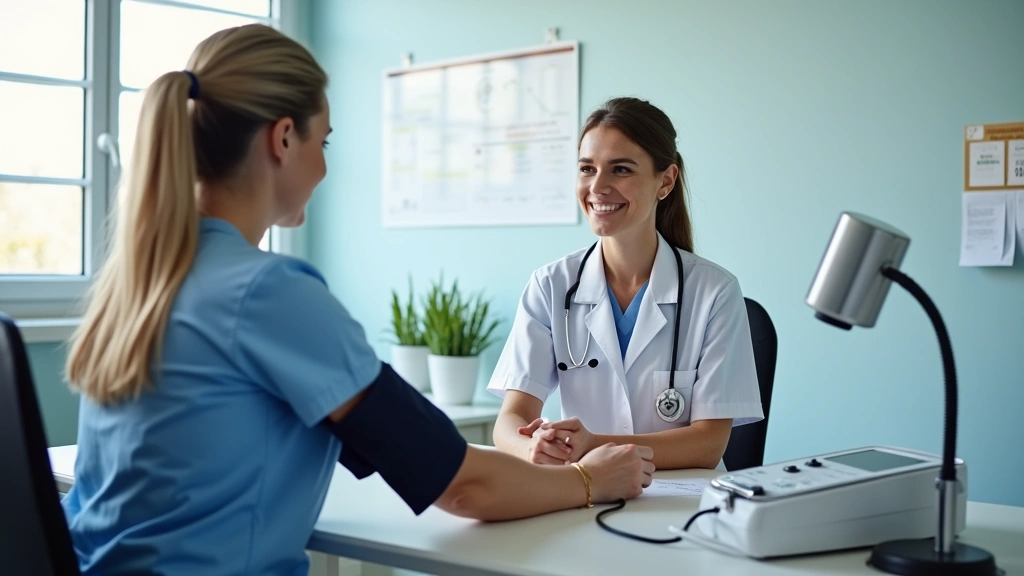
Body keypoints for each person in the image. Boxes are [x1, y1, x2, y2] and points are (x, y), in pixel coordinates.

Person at [60, 25, 655, 576]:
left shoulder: (137, 284)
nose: (323, 165)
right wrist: (588, 481)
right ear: (284, 138)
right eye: (326, 139)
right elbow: (462, 485)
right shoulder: (267, 292)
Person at [487, 97, 763, 471]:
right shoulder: (551, 286)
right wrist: (533, 448)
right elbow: (509, 422)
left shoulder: (713, 292)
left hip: (681, 506)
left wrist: (594, 446)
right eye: (587, 168)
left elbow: (708, 443)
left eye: (620, 170)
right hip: (583, 492)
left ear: (665, 181)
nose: (597, 187)